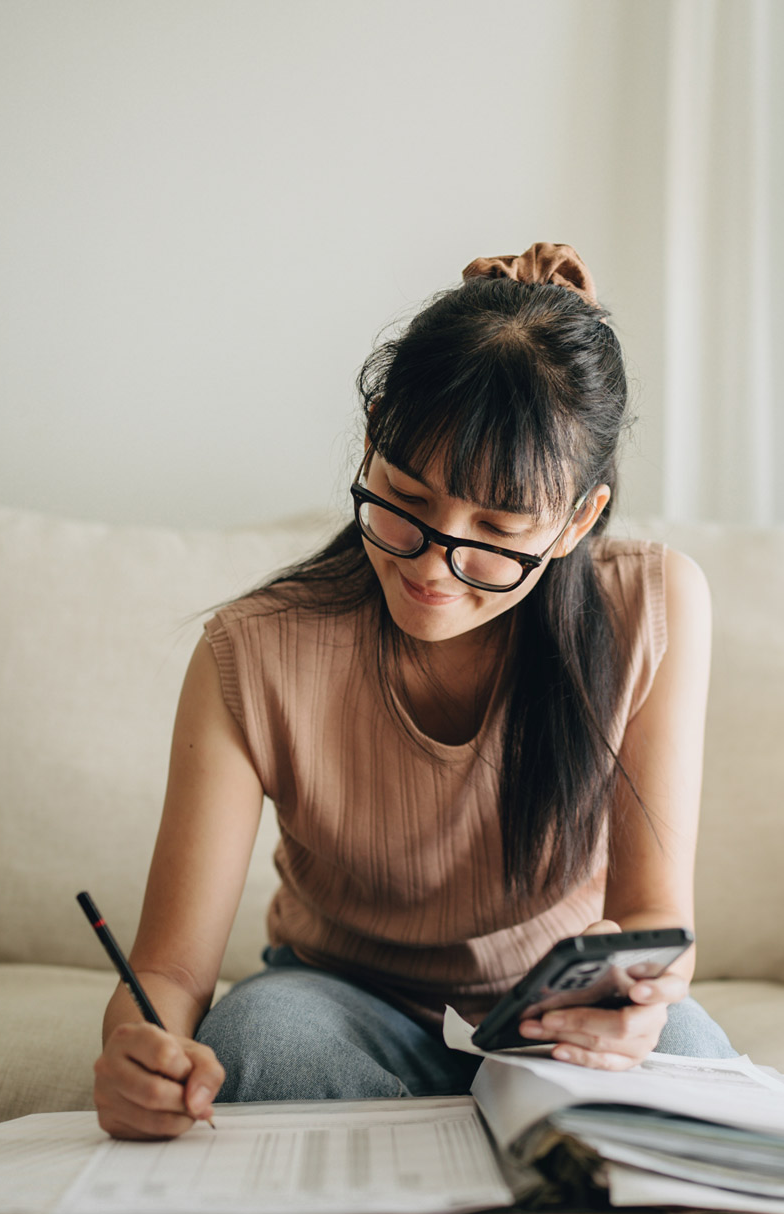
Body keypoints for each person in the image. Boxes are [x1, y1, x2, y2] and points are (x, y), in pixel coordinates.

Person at [92, 243, 736, 1141]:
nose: (436, 566)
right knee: (260, 1042)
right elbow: (167, 970)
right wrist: (139, 1041)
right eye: (403, 499)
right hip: (339, 1000)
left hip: (555, 1011)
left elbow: (655, 919)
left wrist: (640, 999)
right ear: (371, 434)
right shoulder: (254, 651)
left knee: (699, 1076)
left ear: (577, 521)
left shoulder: (652, 605)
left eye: (497, 530)